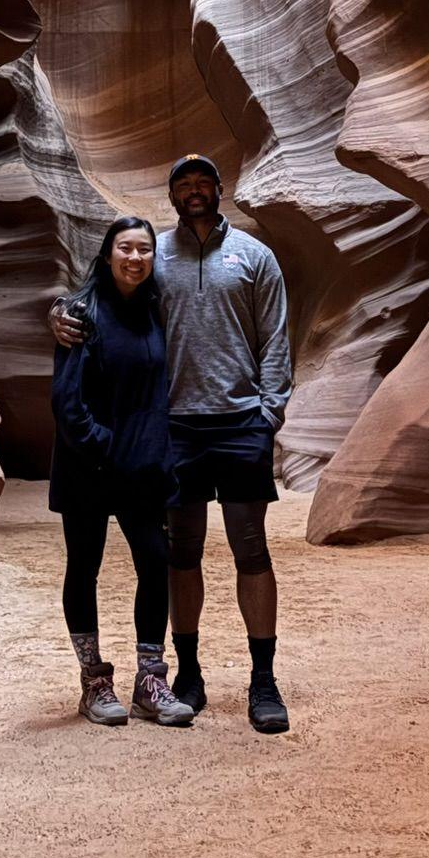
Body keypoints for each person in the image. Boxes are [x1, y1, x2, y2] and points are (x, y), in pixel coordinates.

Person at [51, 156, 294, 733]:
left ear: (218, 189)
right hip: (175, 429)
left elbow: (275, 337)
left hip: (240, 422)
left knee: (251, 548)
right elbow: (105, 294)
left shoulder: (254, 256)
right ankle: (185, 674)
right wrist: (59, 311)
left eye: (203, 182)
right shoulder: (155, 255)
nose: (194, 190)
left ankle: (263, 679)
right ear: (172, 195)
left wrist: (268, 413)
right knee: (180, 552)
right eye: (183, 184)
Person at [49, 216, 195, 728]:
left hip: (140, 467)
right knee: (83, 567)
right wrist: (105, 446)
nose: (135, 258)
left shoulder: (154, 311)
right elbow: (67, 401)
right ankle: (94, 682)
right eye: (125, 248)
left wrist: (151, 453)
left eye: (144, 250)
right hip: (88, 465)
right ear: (107, 254)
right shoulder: (80, 312)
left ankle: (150, 681)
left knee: (154, 563)